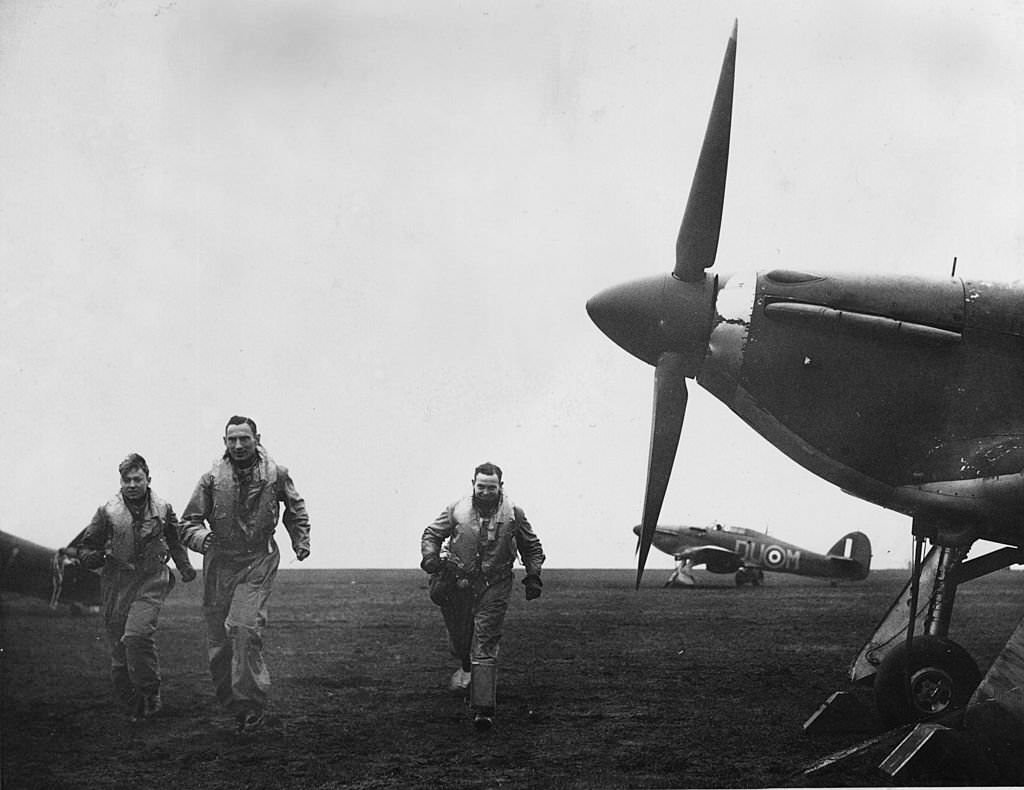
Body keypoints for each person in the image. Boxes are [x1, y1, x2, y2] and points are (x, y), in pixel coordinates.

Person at [179, 415, 310, 734]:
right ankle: (234, 703)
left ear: (257, 439)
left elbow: (296, 509)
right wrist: (202, 539)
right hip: (220, 564)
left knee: (243, 628)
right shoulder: (210, 479)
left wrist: (300, 539)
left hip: (258, 560)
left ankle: (251, 705)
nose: (238, 445)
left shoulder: (277, 474)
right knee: (220, 641)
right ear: (224, 442)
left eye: (244, 439)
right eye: (232, 439)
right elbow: (187, 524)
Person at [63, 453, 196, 720]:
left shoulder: (163, 507)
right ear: (121, 482)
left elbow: (174, 537)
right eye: (127, 480)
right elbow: (86, 546)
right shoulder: (107, 511)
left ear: (148, 479)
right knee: (119, 647)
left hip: (151, 579)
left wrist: (184, 566)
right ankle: (130, 702)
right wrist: (91, 557)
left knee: (137, 636)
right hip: (117, 582)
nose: (132, 484)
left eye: (137, 479)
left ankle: (149, 692)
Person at [420, 461, 545, 731]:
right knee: (461, 642)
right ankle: (466, 666)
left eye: (491, 487)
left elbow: (532, 546)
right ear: (473, 484)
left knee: (485, 641)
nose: (486, 492)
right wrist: (430, 556)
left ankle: (483, 709)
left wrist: (533, 575)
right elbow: (432, 533)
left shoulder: (515, 514)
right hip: (457, 584)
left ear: (501, 486)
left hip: (495, 584)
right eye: (481, 486)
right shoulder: (455, 509)